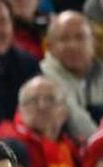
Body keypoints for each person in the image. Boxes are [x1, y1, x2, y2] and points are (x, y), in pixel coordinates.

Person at [39, 11, 103, 143]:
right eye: (64, 39)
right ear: (50, 46)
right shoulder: (43, 76)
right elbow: (79, 126)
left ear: (93, 42)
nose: (73, 45)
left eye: (80, 37)